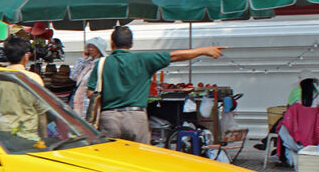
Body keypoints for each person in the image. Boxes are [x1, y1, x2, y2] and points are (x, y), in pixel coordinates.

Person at [86, 26, 225, 143]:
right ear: (131, 44)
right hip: (136, 119)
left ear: (112, 43)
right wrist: (204, 50)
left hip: (109, 119)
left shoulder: (101, 64)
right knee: (140, 162)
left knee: (112, 164)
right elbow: (174, 56)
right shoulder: (144, 60)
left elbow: (90, 94)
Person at [70, 37, 107, 117]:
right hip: (79, 100)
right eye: (89, 46)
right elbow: (73, 76)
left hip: (89, 101)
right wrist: (83, 59)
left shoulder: (102, 63)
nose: (90, 49)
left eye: (93, 47)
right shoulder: (87, 63)